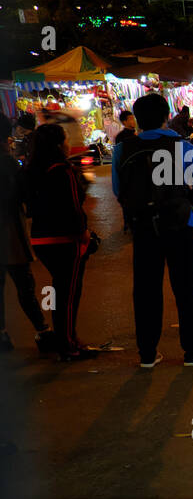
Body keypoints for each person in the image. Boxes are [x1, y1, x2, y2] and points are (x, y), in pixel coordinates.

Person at [113, 91, 193, 368]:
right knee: (186, 290)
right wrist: (182, 202)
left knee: (146, 290)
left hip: (144, 228)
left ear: (137, 120)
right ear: (167, 117)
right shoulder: (183, 147)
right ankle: (192, 353)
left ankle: (147, 355)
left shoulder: (123, 149)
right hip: (181, 226)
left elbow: (119, 191)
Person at [22, 123, 94, 360]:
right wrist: (83, 232)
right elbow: (72, 206)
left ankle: (66, 339)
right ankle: (68, 344)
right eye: (65, 138)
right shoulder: (62, 170)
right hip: (64, 239)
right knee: (69, 294)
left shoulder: (32, 170)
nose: (68, 142)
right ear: (58, 144)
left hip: (41, 238)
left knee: (60, 291)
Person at [0, 115, 52, 352]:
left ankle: (3, 335)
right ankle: (42, 331)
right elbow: (24, 198)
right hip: (10, 232)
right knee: (24, 284)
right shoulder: (9, 164)